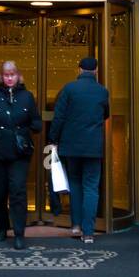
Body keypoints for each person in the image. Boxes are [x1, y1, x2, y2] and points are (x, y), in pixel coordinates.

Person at [0, 60, 42, 249]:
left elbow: (36, 122)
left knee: (18, 192)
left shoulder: (27, 97)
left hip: (19, 155)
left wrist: (30, 128)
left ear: (18, 75)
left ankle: (19, 233)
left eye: (12, 74)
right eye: (6, 75)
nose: (10, 78)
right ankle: (1, 228)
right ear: (1, 77)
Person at [48, 56, 109, 244]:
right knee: (91, 187)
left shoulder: (69, 89)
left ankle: (75, 225)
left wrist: (53, 139)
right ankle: (88, 232)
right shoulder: (102, 92)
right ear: (96, 71)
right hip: (93, 148)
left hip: (71, 146)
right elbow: (105, 114)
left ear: (79, 70)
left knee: (74, 184)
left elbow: (59, 117)